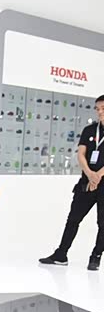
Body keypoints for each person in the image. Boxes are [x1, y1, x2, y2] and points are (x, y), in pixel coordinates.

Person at [40, 94, 104, 271]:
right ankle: (61, 254)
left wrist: (98, 176)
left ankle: (96, 256)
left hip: (101, 182)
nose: (99, 112)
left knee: (102, 223)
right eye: (97, 109)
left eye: (103, 108)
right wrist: (90, 174)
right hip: (86, 181)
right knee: (73, 219)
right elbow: (81, 154)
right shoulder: (90, 130)